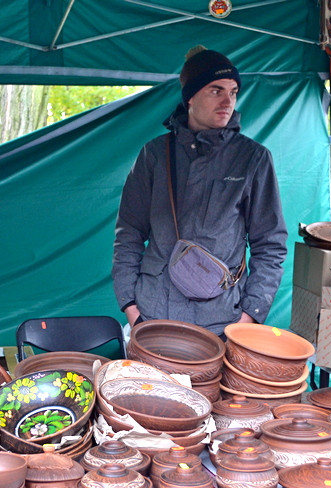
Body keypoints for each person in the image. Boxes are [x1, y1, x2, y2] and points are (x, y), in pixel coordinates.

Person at [112, 46, 288, 337]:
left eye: (233, 92)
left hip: (221, 320)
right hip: (154, 313)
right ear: (190, 96)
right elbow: (129, 232)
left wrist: (248, 319)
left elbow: (270, 245)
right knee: (147, 386)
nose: (227, 101)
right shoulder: (155, 154)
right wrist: (132, 309)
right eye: (215, 90)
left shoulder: (253, 158)